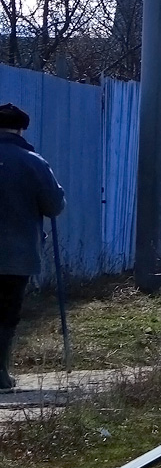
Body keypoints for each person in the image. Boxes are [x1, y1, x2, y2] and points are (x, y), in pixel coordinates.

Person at [0, 102, 66, 390]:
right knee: (5, 313)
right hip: (16, 255)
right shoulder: (33, 162)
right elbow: (53, 206)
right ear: (20, 129)